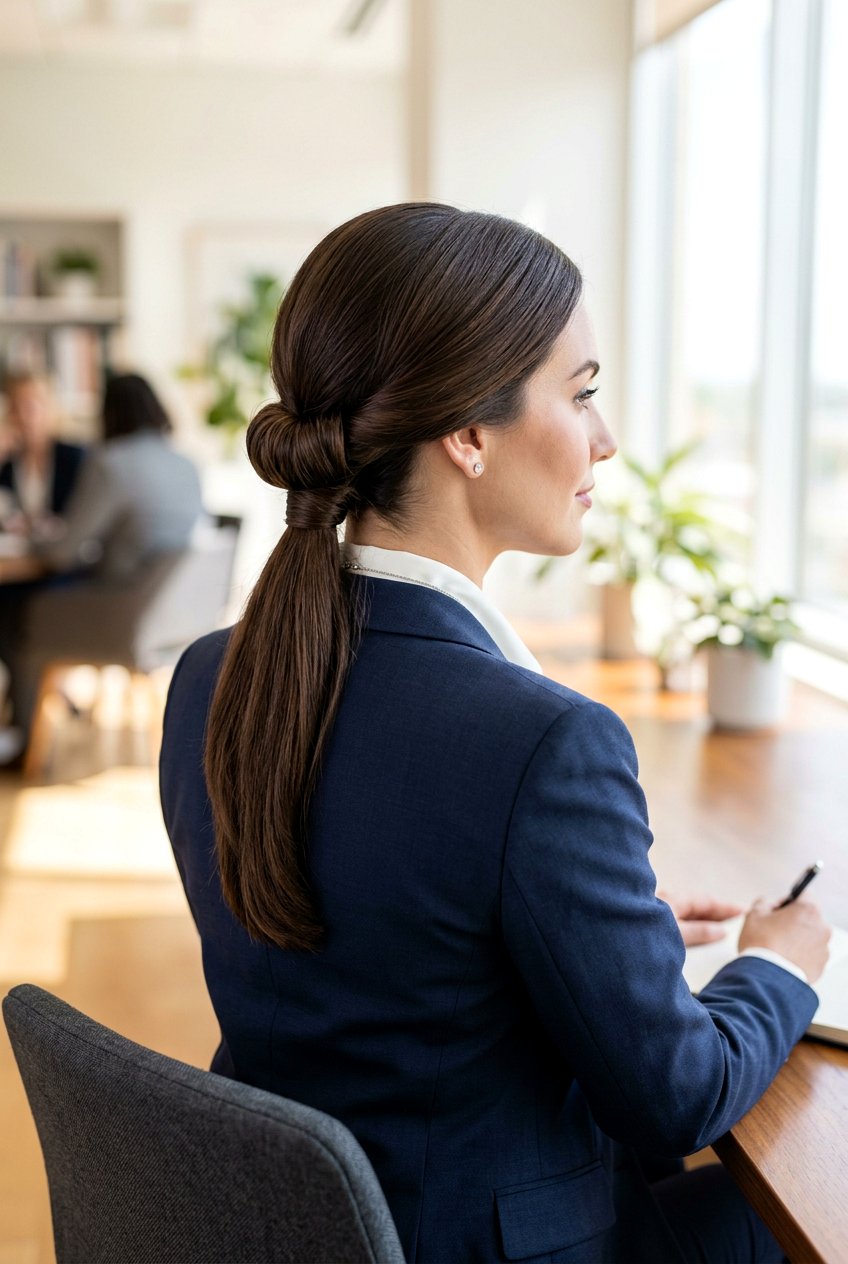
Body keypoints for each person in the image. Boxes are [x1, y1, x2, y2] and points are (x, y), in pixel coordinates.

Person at [160, 204, 830, 1263]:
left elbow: (372, 933)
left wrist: (593, 926)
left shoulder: (213, 674)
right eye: (582, 393)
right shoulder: (539, 742)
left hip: (302, 1226)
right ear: (466, 435)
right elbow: (675, 1098)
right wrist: (776, 963)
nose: (605, 438)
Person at [0, 372, 203, 762]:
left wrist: (36, 536)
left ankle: (25, 740)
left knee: (17, 612)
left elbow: (62, 553)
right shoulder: (187, 464)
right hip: (171, 612)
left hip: (116, 608)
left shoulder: (111, 463)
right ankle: (29, 721)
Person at [0, 372, 86, 537]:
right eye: (15, 408)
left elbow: (80, 517)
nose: (23, 417)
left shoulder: (73, 457)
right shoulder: (8, 460)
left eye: (30, 407)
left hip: (62, 555)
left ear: (49, 409)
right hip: (19, 556)